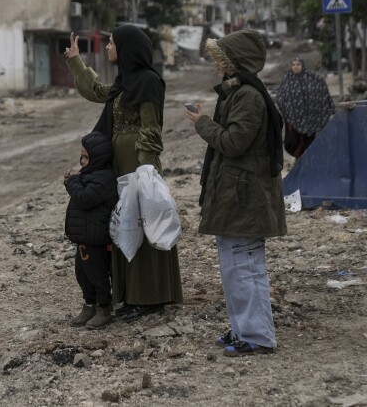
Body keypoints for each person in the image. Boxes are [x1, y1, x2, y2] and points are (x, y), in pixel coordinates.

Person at [64, 26, 183, 320]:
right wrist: (76, 60)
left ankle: (150, 297)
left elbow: (150, 129)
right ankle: (128, 294)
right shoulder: (124, 82)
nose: (107, 48)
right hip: (119, 163)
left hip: (137, 165)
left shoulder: (149, 82)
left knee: (143, 223)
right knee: (122, 225)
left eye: (112, 43)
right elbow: (98, 92)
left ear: (126, 48)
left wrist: (145, 171)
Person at [185, 29, 286, 357]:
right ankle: (244, 328)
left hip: (245, 196)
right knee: (235, 267)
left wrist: (202, 124)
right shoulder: (239, 93)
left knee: (245, 267)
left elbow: (233, 142)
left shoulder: (248, 97)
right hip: (237, 194)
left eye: (220, 60)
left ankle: (258, 335)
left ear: (235, 62)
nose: (216, 66)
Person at [64, 131, 118, 330]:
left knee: (97, 274)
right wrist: (74, 182)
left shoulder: (103, 178)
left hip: (95, 237)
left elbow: (85, 198)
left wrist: (71, 182)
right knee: (82, 273)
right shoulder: (90, 175)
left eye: (86, 157)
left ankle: (103, 308)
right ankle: (89, 304)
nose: (83, 161)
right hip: (84, 236)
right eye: (82, 157)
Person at [275, 57, 335, 159]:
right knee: (293, 142)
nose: (295, 67)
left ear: (302, 66)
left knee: (309, 142)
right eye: (293, 65)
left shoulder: (311, 78)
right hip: (294, 119)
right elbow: (280, 97)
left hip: (310, 119)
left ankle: (308, 161)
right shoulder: (287, 80)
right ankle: (300, 159)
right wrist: (287, 111)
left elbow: (319, 90)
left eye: (298, 64)